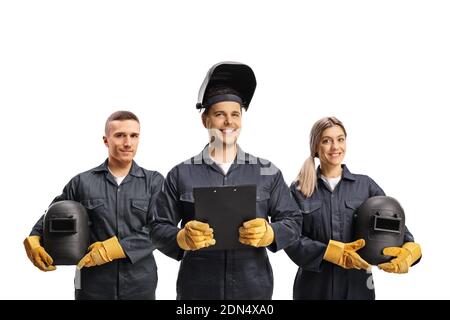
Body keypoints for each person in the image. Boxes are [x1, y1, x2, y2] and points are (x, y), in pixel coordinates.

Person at [149, 61, 301, 300]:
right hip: (197, 292)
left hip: (254, 290)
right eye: (220, 114)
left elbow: (293, 220)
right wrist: (180, 238)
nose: (229, 122)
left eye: (235, 114)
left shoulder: (267, 171)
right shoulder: (180, 174)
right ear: (205, 120)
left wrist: (271, 233)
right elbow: (157, 227)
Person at [23, 110, 164, 300]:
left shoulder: (154, 182)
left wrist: (115, 249)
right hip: (91, 285)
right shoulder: (82, 182)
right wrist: (34, 238)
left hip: (140, 285)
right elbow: (54, 214)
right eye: (119, 135)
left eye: (134, 136)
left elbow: (161, 229)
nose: (128, 143)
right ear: (106, 140)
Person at [285, 116, 422, 300]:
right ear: (316, 147)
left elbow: (393, 225)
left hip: (358, 289)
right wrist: (330, 252)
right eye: (327, 141)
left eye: (340, 139)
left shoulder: (365, 186)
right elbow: (290, 239)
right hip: (314, 290)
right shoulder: (299, 190)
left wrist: (410, 249)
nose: (335, 147)